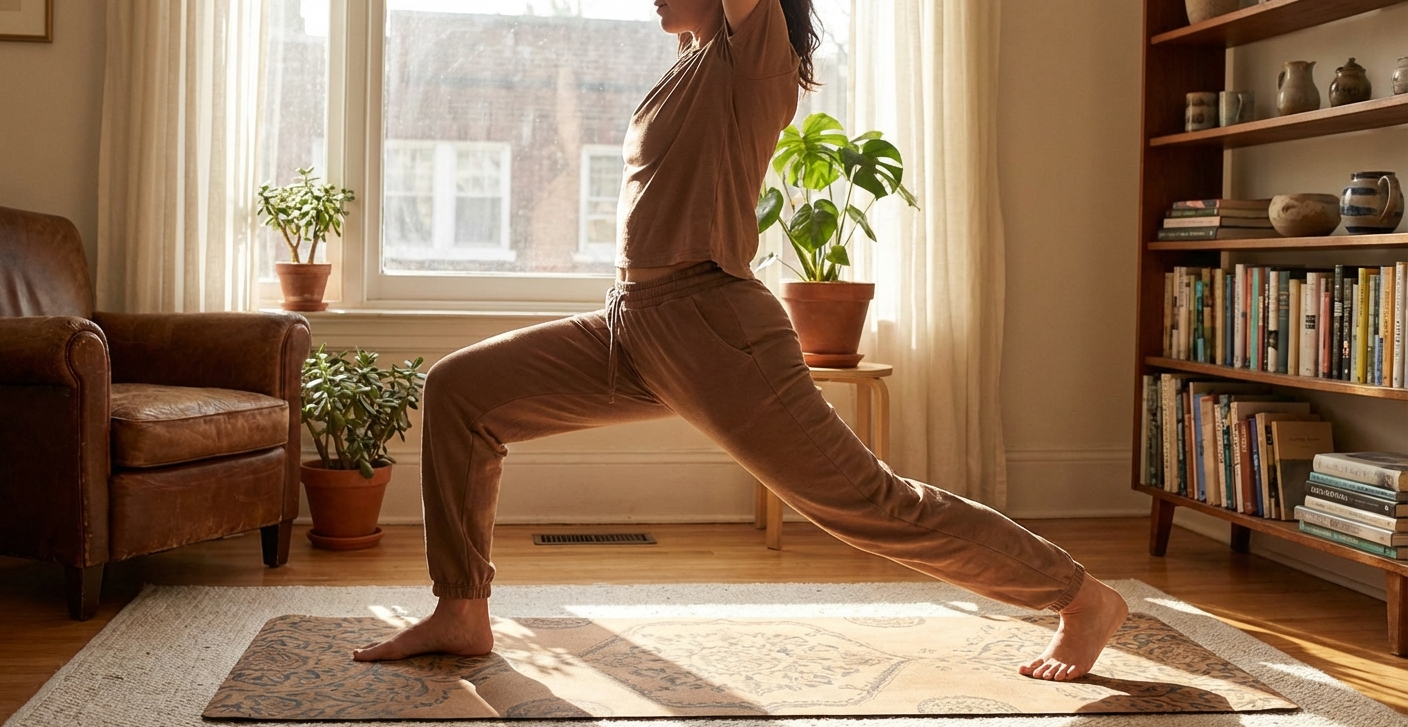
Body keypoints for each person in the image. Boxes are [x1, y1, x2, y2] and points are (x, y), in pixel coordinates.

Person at [353, 0, 1128, 682]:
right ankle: (461, 612)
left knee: (868, 502)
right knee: (462, 390)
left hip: (713, 326)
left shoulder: (753, 57)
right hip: (634, 320)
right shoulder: (689, 63)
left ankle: (1081, 597)